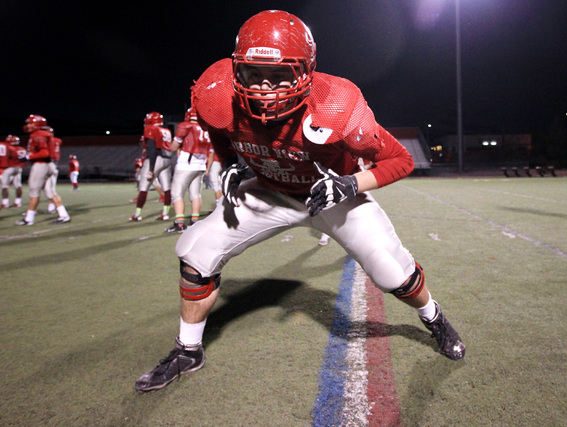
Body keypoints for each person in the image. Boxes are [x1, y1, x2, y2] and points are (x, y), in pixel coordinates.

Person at [134, 10, 465, 392]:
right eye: (253, 75)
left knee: (393, 272)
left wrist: (351, 184)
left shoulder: (336, 104)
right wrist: (228, 165)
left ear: (305, 72)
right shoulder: (217, 93)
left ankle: (434, 316)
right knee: (195, 250)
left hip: (330, 196)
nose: (264, 89)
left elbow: (400, 159)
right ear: (236, 69)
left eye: (278, 76)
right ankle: (187, 351)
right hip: (268, 192)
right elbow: (221, 133)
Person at [15, 115, 70, 225]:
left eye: (31, 123)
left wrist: (27, 157)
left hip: (41, 165)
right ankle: (63, 215)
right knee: (50, 192)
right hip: (51, 165)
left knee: (34, 191)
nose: (28, 126)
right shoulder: (47, 135)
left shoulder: (38, 135)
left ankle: (29, 219)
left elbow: (44, 152)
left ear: (38, 124)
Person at [165, 107, 212, 233]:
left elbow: (174, 147)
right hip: (201, 164)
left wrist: (172, 147)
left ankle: (179, 223)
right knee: (195, 194)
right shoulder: (207, 129)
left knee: (177, 194)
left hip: (187, 164)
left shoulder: (186, 126)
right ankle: (195, 222)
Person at [129, 112, 174, 221]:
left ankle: (137, 214)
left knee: (143, 187)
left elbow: (152, 149)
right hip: (167, 160)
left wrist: (151, 169)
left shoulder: (151, 129)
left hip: (156, 159)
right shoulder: (166, 131)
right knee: (167, 187)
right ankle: (166, 213)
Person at [0, 135, 26, 208]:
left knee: (4, 186)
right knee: (18, 185)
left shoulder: (8, 147)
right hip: (18, 168)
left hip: (8, 168)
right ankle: (18, 202)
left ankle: (5, 203)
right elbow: (23, 160)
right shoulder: (21, 149)